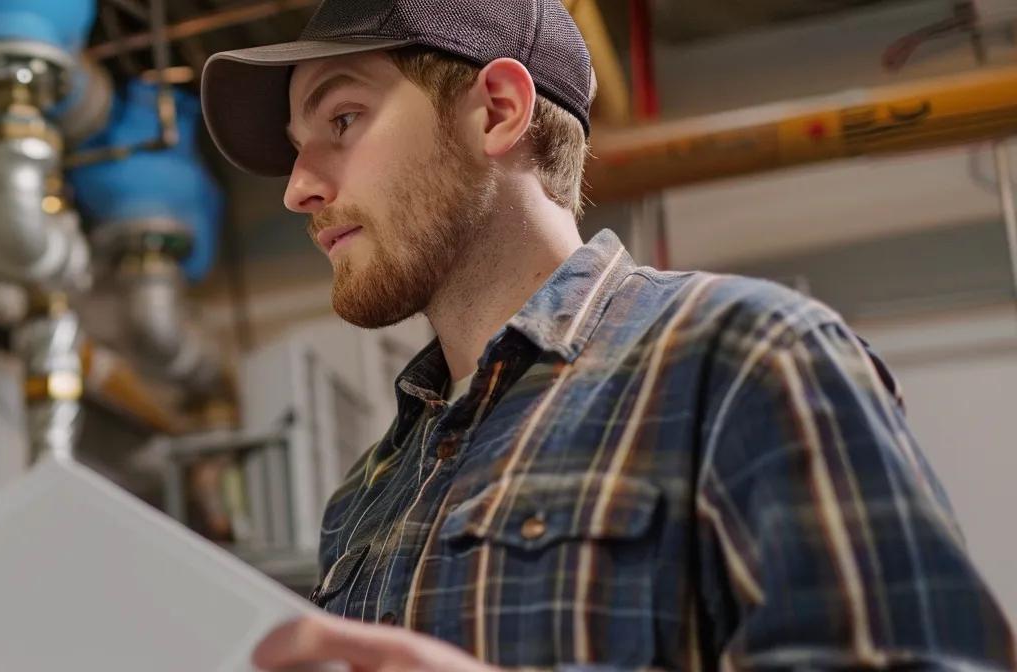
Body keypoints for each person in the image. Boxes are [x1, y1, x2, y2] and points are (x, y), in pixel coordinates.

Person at [198, 0, 1016, 669]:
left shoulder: (746, 357)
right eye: (299, 151)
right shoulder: (366, 492)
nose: (299, 189)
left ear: (499, 111)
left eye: (342, 119)